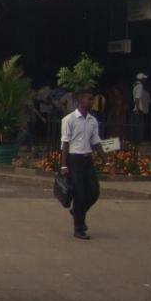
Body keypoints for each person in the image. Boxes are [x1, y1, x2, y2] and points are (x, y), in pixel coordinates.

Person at [59, 90, 105, 240]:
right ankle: (79, 228)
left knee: (94, 191)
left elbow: (96, 142)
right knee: (80, 193)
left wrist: (107, 160)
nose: (92, 101)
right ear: (80, 100)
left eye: (92, 99)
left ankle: (78, 212)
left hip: (87, 158)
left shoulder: (92, 120)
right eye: (89, 99)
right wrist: (63, 165)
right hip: (74, 159)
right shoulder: (69, 119)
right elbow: (65, 143)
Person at [130, 73, 150, 145]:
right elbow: (137, 98)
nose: (145, 80)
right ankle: (139, 141)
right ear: (141, 79)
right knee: (140, 126)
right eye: (144, 79)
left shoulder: (135, 86)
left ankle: (136, 141)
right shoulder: (140, 86)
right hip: (138, 108)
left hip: (136, 108)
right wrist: (138, 109)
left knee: (136, 125)